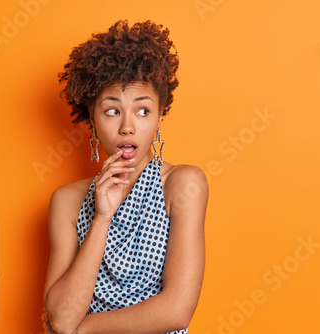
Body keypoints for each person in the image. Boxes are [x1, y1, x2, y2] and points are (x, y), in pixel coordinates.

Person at [42, 20, 208, 334]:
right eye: (113, 111)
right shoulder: (67, 200)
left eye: (143, 111)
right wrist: (102, 217)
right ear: (92, 118)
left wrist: (83, 330)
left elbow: (177, 310)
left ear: (160, 116)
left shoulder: (182, 184)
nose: (128, 127)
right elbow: (61, 316)